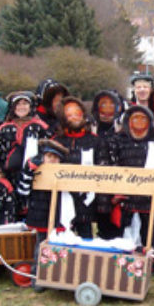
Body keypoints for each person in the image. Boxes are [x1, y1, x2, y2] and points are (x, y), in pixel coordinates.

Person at [106, 105, 154, 266]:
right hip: (127, 201)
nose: (139, 122)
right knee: (125, 240)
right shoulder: (118, 140)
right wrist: (114, 194)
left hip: (152, 201)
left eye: (143, 118)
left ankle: (153, 263)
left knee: (153, 242)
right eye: (135, 118)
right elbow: (112, 169)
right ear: (128, 122)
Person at [53, 96, 110, 238]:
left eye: (77, 113)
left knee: (86, 238)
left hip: (87, 201)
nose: (75, 117)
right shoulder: (56, 141)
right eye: (69, 114)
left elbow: (103, 171)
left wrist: (103, 205)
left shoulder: (96, 141)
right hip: (63, 201)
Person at [0, 91, 50, 187]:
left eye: (25, 103)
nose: (21, 107)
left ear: (31, 106)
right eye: (18, 104)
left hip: (36, 176)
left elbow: (47, 151)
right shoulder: (3, 128)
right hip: (9, 176)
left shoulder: (41, 127)